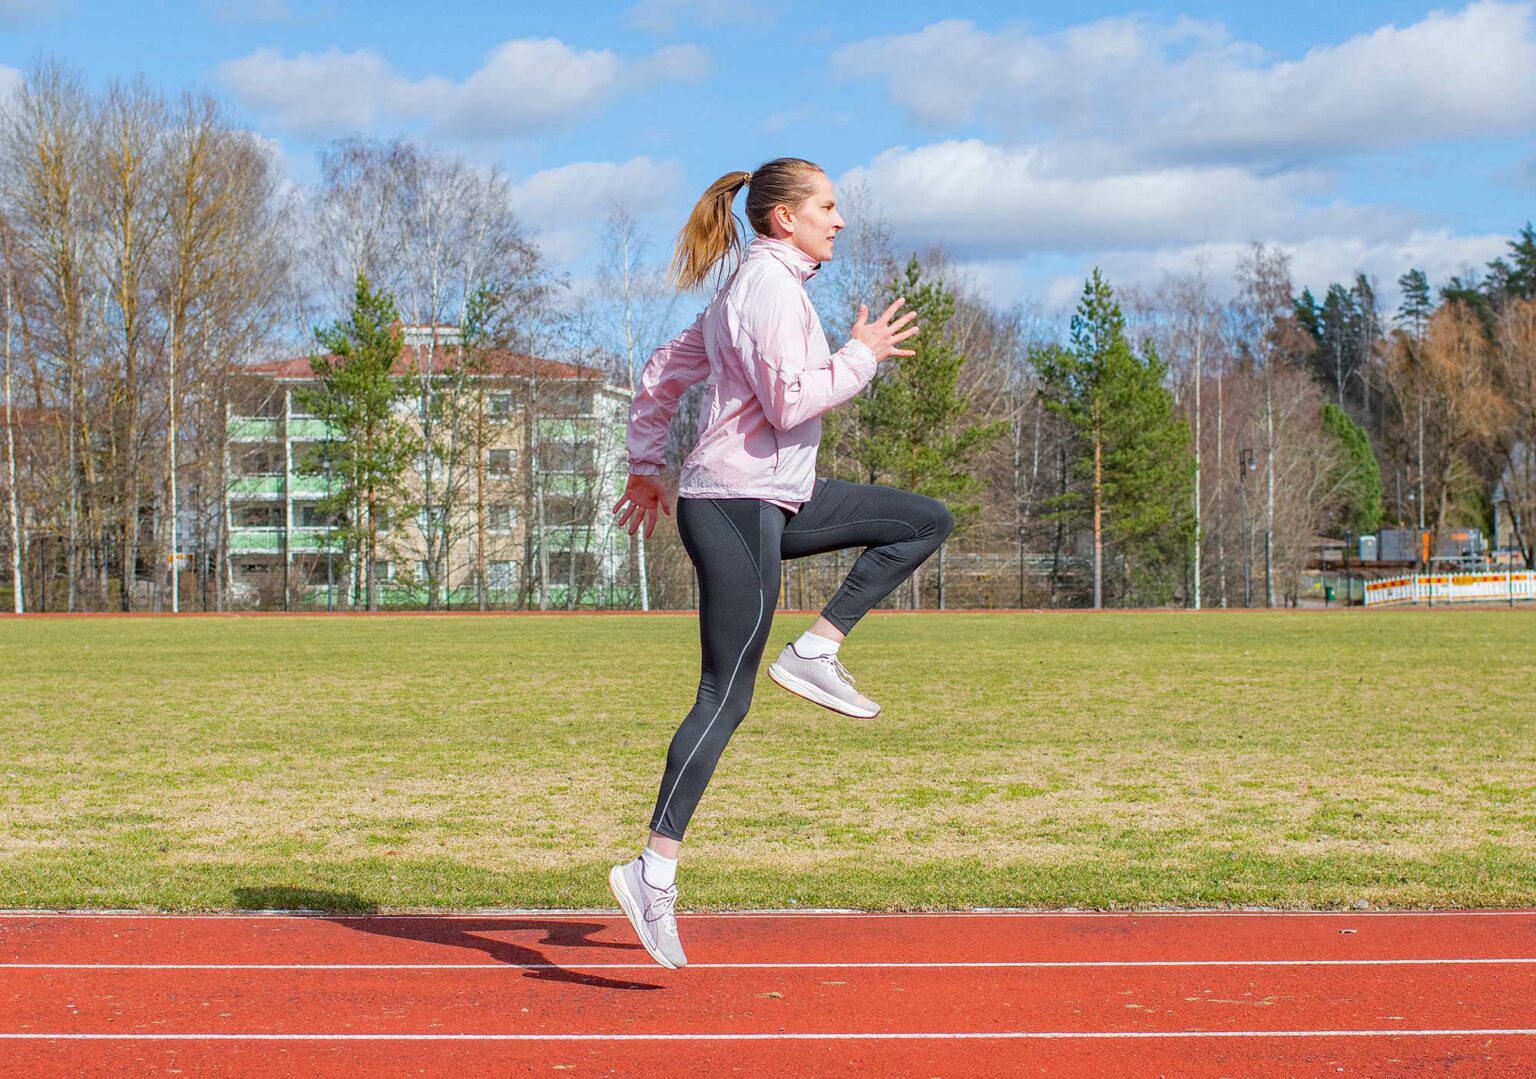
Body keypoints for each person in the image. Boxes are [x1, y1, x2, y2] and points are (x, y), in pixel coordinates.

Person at [606, 157, 954, 970]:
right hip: (733, 503)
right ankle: (651, 871)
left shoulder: (765, 288)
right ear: (782, 218)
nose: (839, 220)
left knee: (922, 521)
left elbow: (661, 373)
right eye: (827, 207)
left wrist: (643, 462)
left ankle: (818, 647)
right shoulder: (763, 289)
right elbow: (791, 400)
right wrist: (860, 354)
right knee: (724, 695)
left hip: (777, 495)